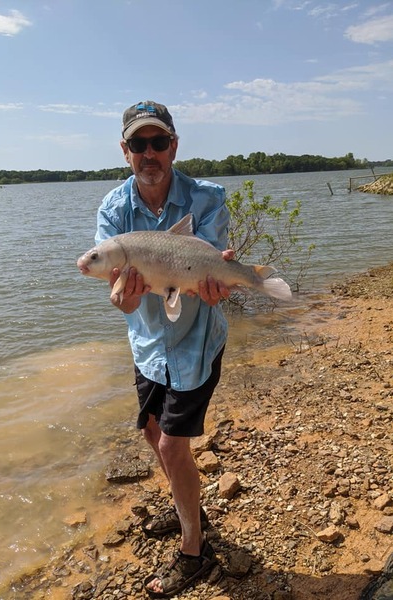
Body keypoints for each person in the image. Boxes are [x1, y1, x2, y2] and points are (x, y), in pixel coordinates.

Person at [95, 100, 232, 597]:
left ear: (174, 145)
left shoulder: (208, 197)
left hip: (197, 342)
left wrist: (219, 277)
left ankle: (194, 552)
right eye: (138, 144)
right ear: (125, 151)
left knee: (174, 445)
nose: (148, 153)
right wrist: (123, 300)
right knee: (155, 435)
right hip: (148, 345)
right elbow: (123, 301)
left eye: (158, 142)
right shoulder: (114, 210)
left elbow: (211, 262)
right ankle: (189, 505)